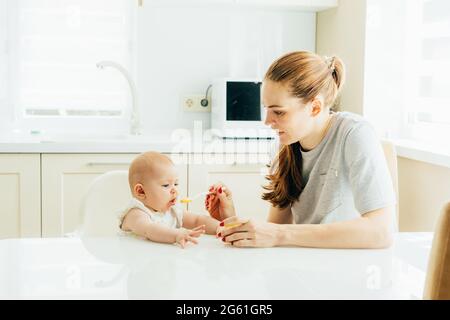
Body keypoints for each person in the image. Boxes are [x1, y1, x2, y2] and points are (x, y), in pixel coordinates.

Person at [206, 51, 396, 249]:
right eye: (266, 109)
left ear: (314, 107)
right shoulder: (284, 145)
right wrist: (233, 223)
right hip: (308, 264)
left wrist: (279, 234)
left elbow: (381, 232)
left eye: (278, 112)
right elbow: (274, 231)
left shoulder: (354, 134)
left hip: (355, 267)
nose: (267, 121)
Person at [119, 151, 232, 248]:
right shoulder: (136, 214)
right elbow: (150, 230)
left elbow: (197, 220)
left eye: (176, 184)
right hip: (138, 263)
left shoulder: (172, 211)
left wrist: (220, 227)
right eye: (166, 185)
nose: (174, 191)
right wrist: (176, 235)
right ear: (141, 192)